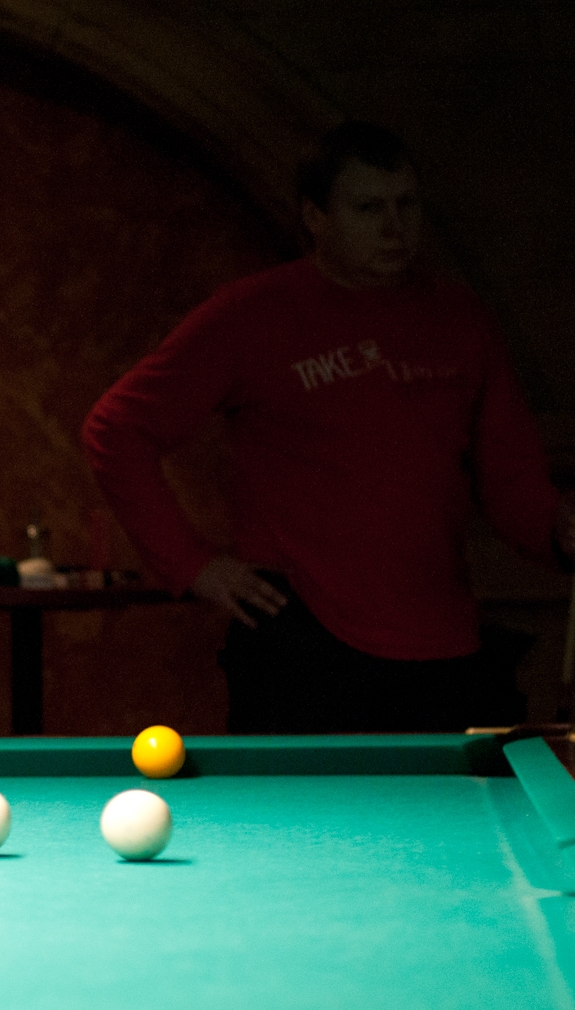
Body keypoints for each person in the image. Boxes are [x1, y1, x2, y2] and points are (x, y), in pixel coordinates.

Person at [83, 122, 573, 733]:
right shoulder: (252, 313)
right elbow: (117, 428)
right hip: (304, 642)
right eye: (369, 209)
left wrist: (557, 531)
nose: (394, 227)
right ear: (316, 218)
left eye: (406, 205)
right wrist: (192, 563)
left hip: (443, 640)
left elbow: (510, 477)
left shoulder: (459, 318)